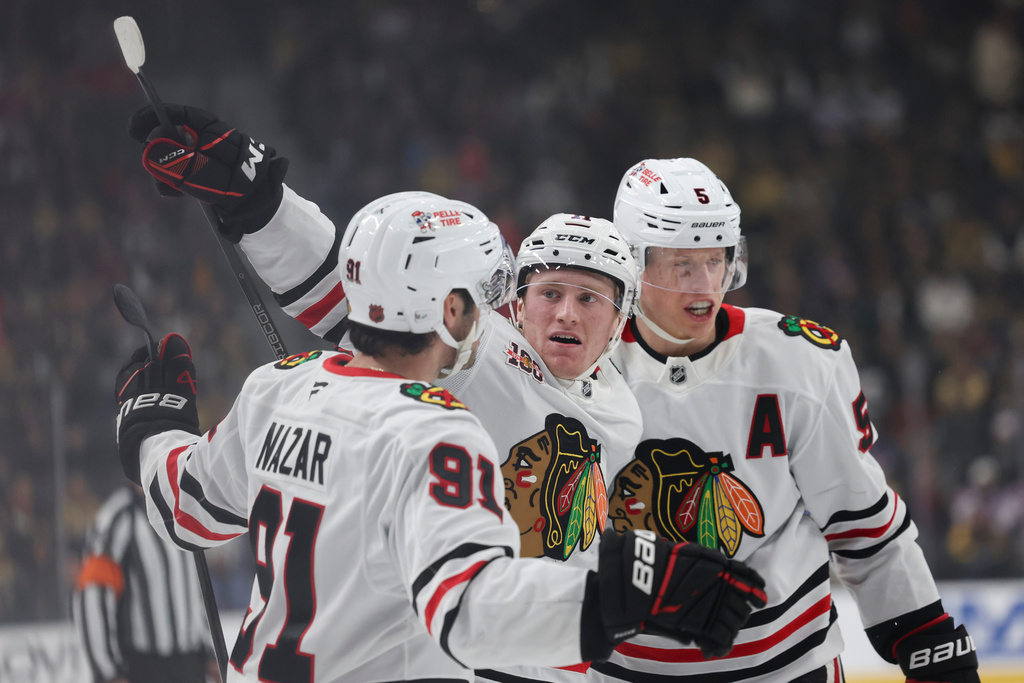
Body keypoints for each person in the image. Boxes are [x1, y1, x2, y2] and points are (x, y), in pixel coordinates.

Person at [125, 104, 770, 681]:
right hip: (489, 652)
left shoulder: (275, 389)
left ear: (622, 310)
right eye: (547, 293)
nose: (566, 315)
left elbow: (189, 502)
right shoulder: (463, 386)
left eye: (590, 297)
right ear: (502, 304)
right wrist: (262, 205)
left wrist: (150, 438)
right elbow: (353, 285)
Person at [591, 157, 980, 683]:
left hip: (787, 669)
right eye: (683, 263)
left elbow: (861, 522)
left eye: (717, 259)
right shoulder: (579, 369)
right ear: (632, 263)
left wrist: (925, 637)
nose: (706, 283)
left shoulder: (798, 361)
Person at [72, 484, 217, 683]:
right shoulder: (119, 516)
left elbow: (191, 590)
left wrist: (208, 652)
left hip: (189, 664)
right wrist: (109, 672)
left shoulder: (183, 507)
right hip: (143, 667)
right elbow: (93, 596)